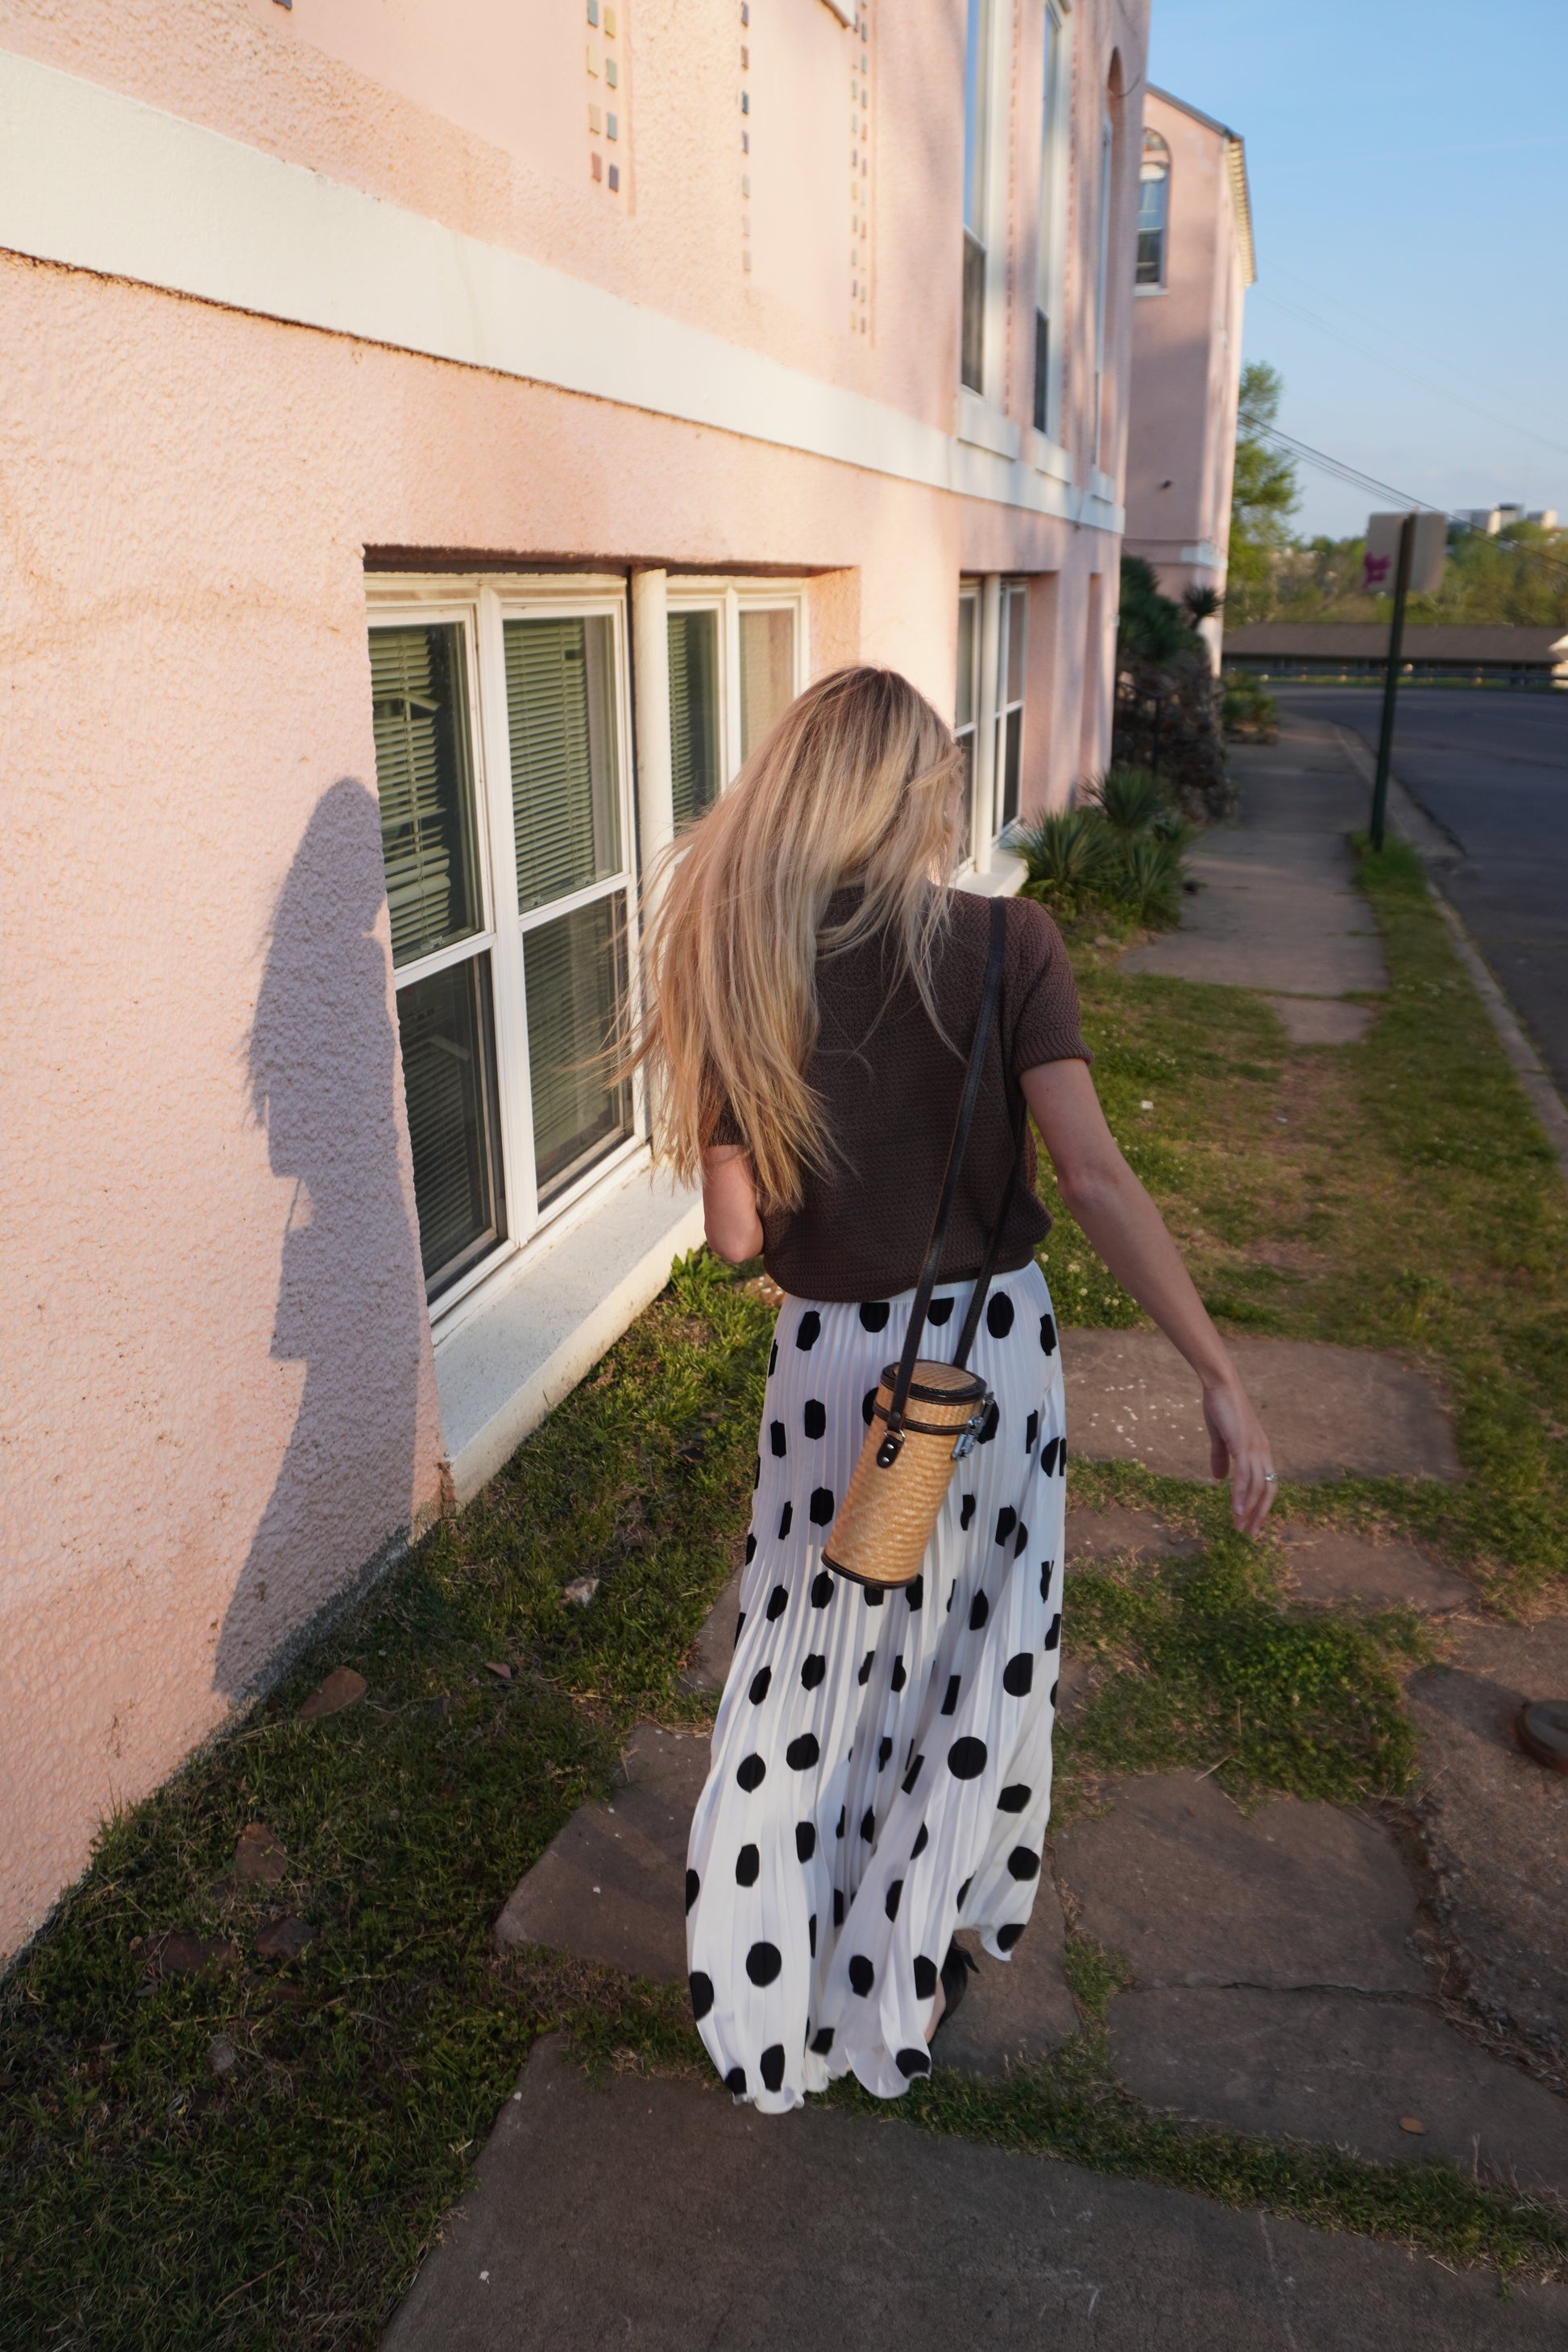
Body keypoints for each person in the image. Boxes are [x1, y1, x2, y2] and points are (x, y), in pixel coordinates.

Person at [625, 665, 1275, 2116]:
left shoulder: (748, 963)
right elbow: (1096, 1178)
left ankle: (770, 1968)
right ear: (923, 793)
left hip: (831, 1376)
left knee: (804, 1666)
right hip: (984, 1369)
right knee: (969, 1669)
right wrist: (1217, 1374)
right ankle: (902, 1966)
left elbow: (736, 1240)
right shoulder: (1009, 944)